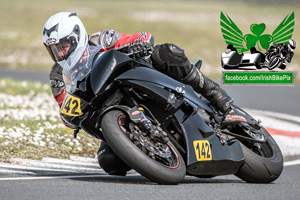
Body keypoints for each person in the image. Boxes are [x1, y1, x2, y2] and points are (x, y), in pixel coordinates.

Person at [43, 12, 233, 176]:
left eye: (63, 46)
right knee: (109, 162)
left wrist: (138, 44)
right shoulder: (57, 75)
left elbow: (138, 38)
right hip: (108, 110)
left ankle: (214, 92)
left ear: (77, 37)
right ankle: (154, 153)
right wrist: (69, 116)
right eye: (54, 50)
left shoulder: (101, 39)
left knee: (167, 53)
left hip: (139, 84)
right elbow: (65, 105)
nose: (60, 53)